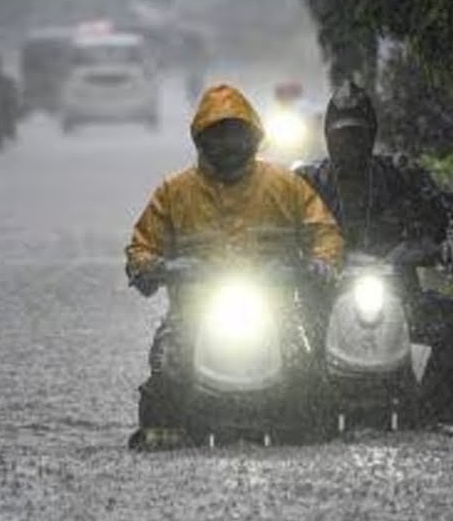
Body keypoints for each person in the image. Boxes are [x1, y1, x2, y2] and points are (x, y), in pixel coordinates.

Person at [125, 84, 345, 448]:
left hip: (276, 309)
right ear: (202, 140)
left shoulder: (285, 185)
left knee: (306, 369)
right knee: (168, 366)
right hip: (193, 312)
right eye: (218, 136)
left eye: (236, 135)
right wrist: (146, 267)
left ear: (253, 137)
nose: (228, 146)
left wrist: (323, 263)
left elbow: (324, 231)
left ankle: (318, 440)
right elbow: (143, 244)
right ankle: (161, 435)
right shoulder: (174, 191)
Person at [294, 81, 453, 430]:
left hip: (397, 300)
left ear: (371, 135)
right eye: (341, 136)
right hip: (321, 304)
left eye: (357, 135)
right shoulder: (305, 182)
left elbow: (447, 213)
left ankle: (435, 418)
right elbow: (274, 225)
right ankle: (288, 420)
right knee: (275, 328)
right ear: (329, 137)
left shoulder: (401, 174)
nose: (349, 144)